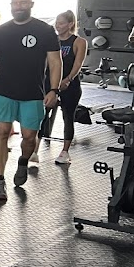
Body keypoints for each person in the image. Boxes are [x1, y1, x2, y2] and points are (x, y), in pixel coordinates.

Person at [0, 0, 61, 201]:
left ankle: (23, 161)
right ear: (11, 6)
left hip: (33, 93)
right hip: (4, 91)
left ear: (31, 4)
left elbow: (55, 62)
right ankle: (0, 181)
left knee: (29, 137)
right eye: (15, 3)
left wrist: (54, 89)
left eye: (23, 2)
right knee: (1, 131)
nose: (19, 6)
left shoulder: (45, 31)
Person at [41, 10, 87, 165]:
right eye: (56, 23)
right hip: (50, 83)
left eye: (61, 23)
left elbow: (78, 64)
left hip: (70, 85)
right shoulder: (51, 40)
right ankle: (34, 150)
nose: (57, 26)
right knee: (42, 114)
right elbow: (45, 62)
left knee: (68, 117)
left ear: (70, 24)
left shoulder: (79, 42)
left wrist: (68, 79)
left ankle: (65, 152)